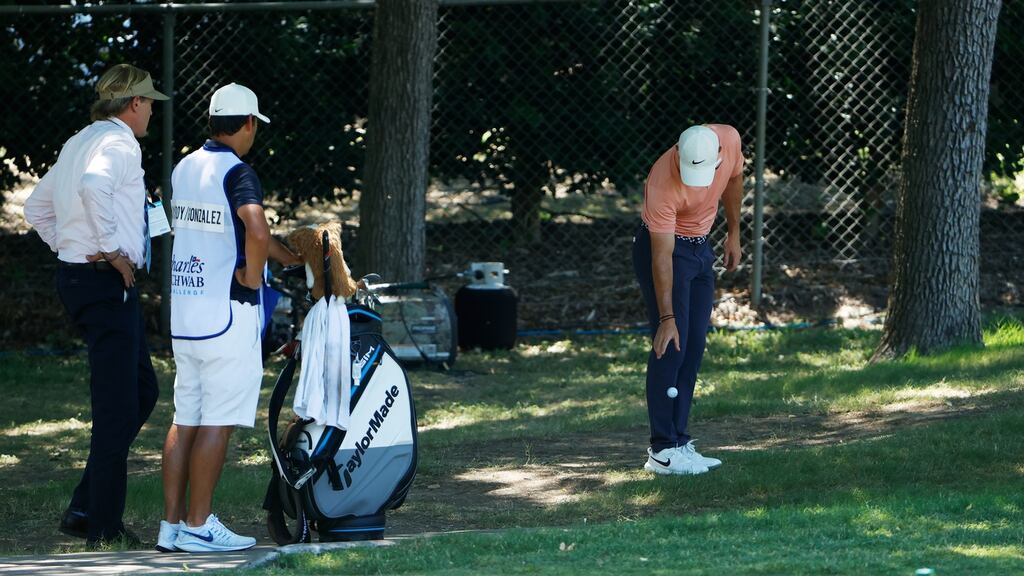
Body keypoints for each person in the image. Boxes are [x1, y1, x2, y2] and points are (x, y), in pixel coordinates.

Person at [23, 64, 169, 546]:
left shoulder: (80, 140)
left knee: (141, 391)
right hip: (105, 283)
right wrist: (109, 250)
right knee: (117, 406)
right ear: (133, 104)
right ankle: (102, 527)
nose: (151, 112)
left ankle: (86, 506)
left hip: (86, 280)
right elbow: (92, 185)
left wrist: (68, 247)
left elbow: (35, 208)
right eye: (149, 103)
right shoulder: (120, 145)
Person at [158, 83, 300, 553]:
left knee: (185, 418)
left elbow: (229, 230)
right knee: (218, 421)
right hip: (228, 313)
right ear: (248, 124)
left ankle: (171, 527)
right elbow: (255, 229)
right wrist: (253, 277)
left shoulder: (185, 166)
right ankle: (200, 526)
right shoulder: (239, 171)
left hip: (186, 314)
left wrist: (284, 256)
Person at [633, 124, 744, 475]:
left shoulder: (729, 140)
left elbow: (734, 180)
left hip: (701, 248)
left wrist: (734, 233)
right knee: (672, 345)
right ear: (678, 153)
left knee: (693, 346)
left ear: (718, 156)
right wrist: (666, 319)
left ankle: (680, 442)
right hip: (668, 253)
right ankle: (662, 450)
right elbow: (661, 258)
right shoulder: (661, 183)